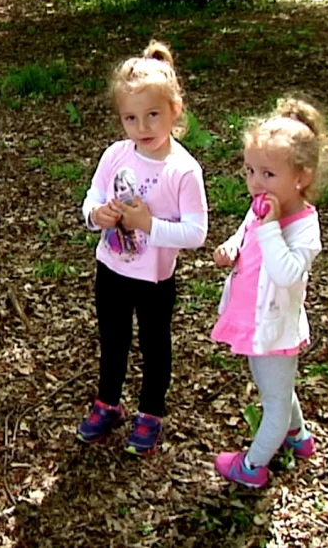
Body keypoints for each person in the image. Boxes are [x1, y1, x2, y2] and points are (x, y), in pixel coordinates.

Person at [77, 41, 209, 455]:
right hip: (111, 268)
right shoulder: (116, 155)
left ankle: (150, 412)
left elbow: (196, 232)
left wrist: (148, 225)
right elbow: (93, 196)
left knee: (155, 346)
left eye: (153, 114)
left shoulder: (182, 170)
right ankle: (108, 404)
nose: (142, 126)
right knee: (113, 340)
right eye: (130, 118)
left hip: (154, 279)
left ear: (175, 109)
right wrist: (96, 214)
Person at [210, 98, 328, 488]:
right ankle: (299, 438)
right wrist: (232, 247)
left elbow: (287, 273)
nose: (255, 183)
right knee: (275, 387)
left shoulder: (303, 227)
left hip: (275, 328)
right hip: (251, 316)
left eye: (267, 173)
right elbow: (245, 232)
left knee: (274, 402)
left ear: (301, 177)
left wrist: (270, 228)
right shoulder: (262, 208)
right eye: (250, 171)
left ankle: (252, 466)